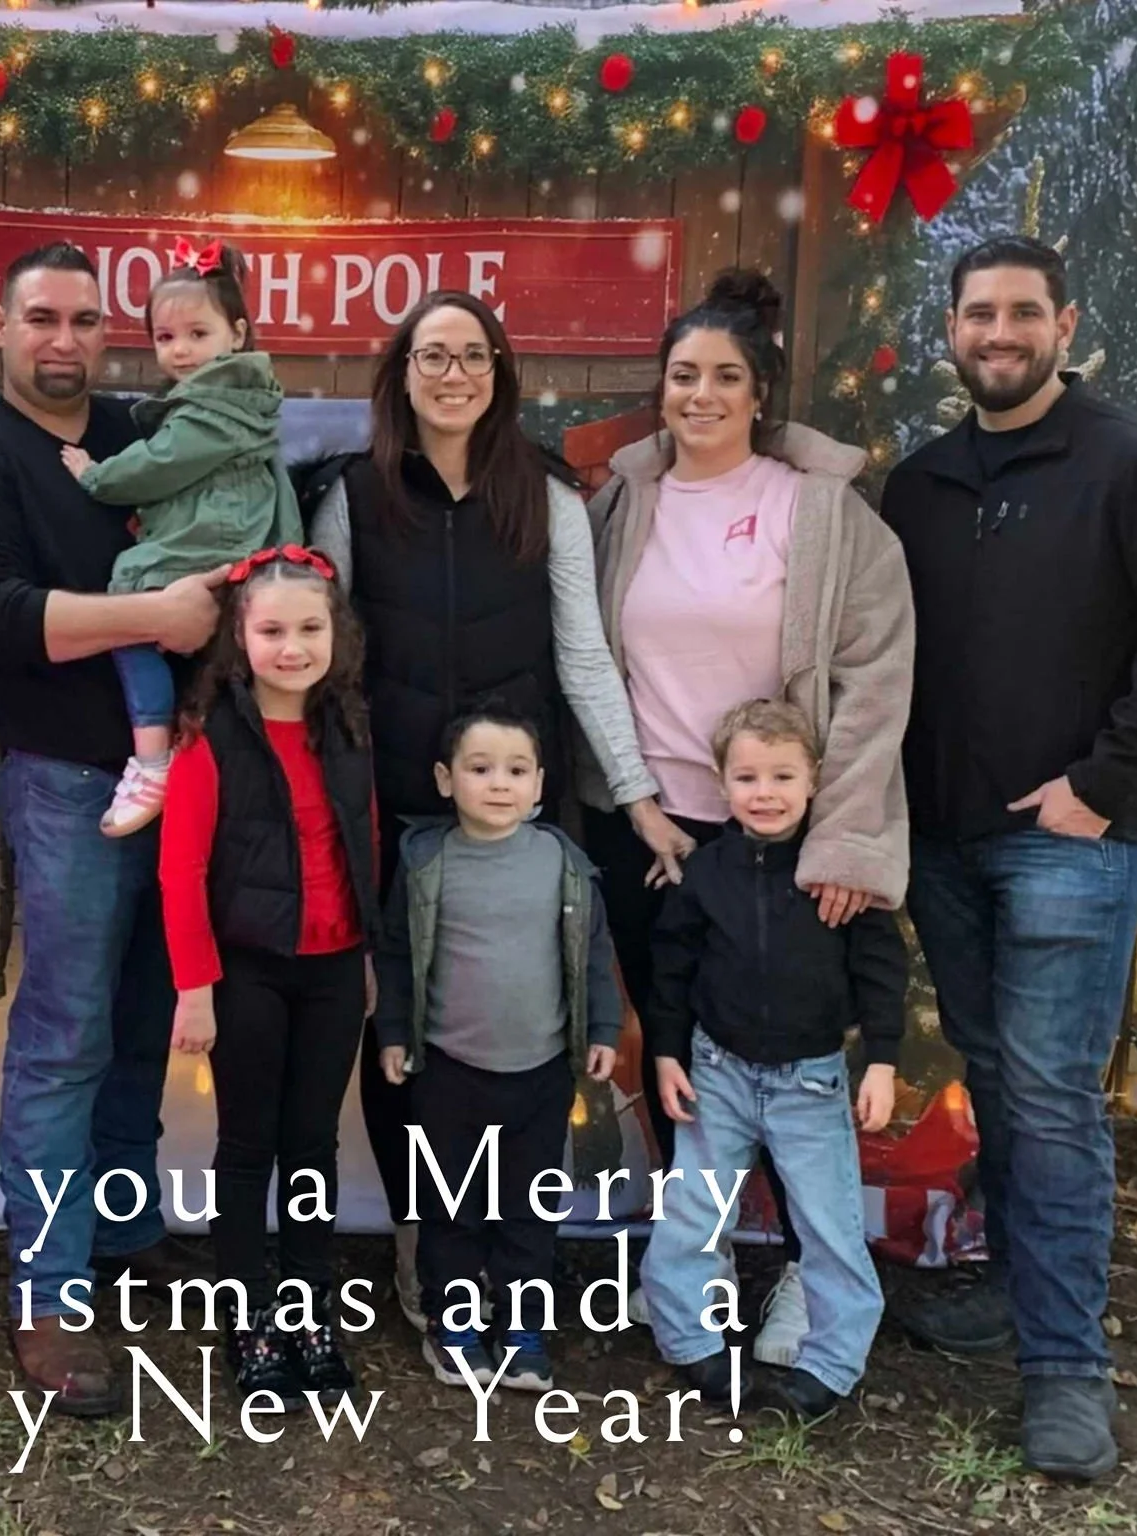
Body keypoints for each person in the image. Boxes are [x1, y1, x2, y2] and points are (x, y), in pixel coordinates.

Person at [882, 236, 1137, 1479]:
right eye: (977, 315)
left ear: (1062, 324)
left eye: (1021, 313)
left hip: (1064, 841)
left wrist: (1102, 785)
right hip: (944, 845)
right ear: (950, 332)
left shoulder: (1133, 464)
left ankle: (1065, 1373)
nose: (997, 334)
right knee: (1000, 1083)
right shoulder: (920, 484)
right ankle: (1014, 1293)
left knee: (1056, 1100)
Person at [307, 290, 673, 1328]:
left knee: (518, 1035)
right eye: (432, 355)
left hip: (521, 816)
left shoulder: (545, 494)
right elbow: (323, 656)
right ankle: (426, 1242)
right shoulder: (352, 494)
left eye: (472, 355)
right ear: (401, 372)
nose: (453, 373)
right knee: (407, 1021)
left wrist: (636, 796)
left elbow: (581, 654)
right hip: (396, 812)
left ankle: (508, 1257)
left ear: (500, 371)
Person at [0, 243, 225, 1414]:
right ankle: (47, 1290)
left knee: (148, 1015)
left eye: (85, 320)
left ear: (110, 335)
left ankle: (122, 1229)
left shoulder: (149, 439)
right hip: (63, 785)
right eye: (39, 317)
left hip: (188, 781)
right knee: (63, 1031)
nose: (63, 339)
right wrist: (149, 614)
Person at [583, 270, 915, 1365]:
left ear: (758, 391)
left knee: (794, 1073)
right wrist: (629, 805)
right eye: (682, 376)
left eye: (725, 376)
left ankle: (800, 1287)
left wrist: (841, 836)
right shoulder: (619, 505)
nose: (701, 395)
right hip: (650, 826)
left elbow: (872, 679)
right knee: (684, 1057)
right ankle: (703, 1265)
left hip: (778, 831)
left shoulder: (817, 511)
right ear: (660, 389)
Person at [638, 700, 905, 1422]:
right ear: (721, 784)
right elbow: (671, 972)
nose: (766, 792)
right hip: (715, 1071)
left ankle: (829, 1363)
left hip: (810, 1079)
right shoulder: (705, 876)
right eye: (748, 776)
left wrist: (881, 1059)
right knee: (694, 1209)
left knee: (828, 1224)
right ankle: (690, 1339)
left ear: (814, 779)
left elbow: (882, 966)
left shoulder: (838, 874)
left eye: (783, 775)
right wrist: (665, 1053)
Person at [159, 546, 378, 1407]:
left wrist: (365, 957)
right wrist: (195, 986)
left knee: (313, 1147)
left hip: (332, 969)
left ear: (338, 637)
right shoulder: (212, 739)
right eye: (273, 630)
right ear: (239, 640)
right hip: (247, 972)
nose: (293, 647)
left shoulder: (350, 729)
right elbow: (181, 870)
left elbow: (362, 846)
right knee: (249, 1150)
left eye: (310, 629)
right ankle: (248, 1318)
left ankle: (311, 1311)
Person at [373, 701, 621, 1395]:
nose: (500, 784)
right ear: (446, 780)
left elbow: (593, 955)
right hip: (447, 1071)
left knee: (526, 1207)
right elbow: (395, 956)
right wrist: (393, 1034)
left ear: (541, 783)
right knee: (450, 1206)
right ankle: (454, 1328)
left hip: (540, 1074)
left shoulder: (564, 863)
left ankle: (523, 1330)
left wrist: (602, 1030)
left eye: (517, 770)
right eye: (481, 769)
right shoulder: (425, 862)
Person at [65, 239, 300, 836]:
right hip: (228, 538)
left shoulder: (208, 408)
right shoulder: (239, 399)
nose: (182, 351)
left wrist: (96, 474)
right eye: (166, 339)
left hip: (212, 545)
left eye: (198, 334)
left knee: (129, 615)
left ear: (238, 334)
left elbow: (159, 463)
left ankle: (151, 759)